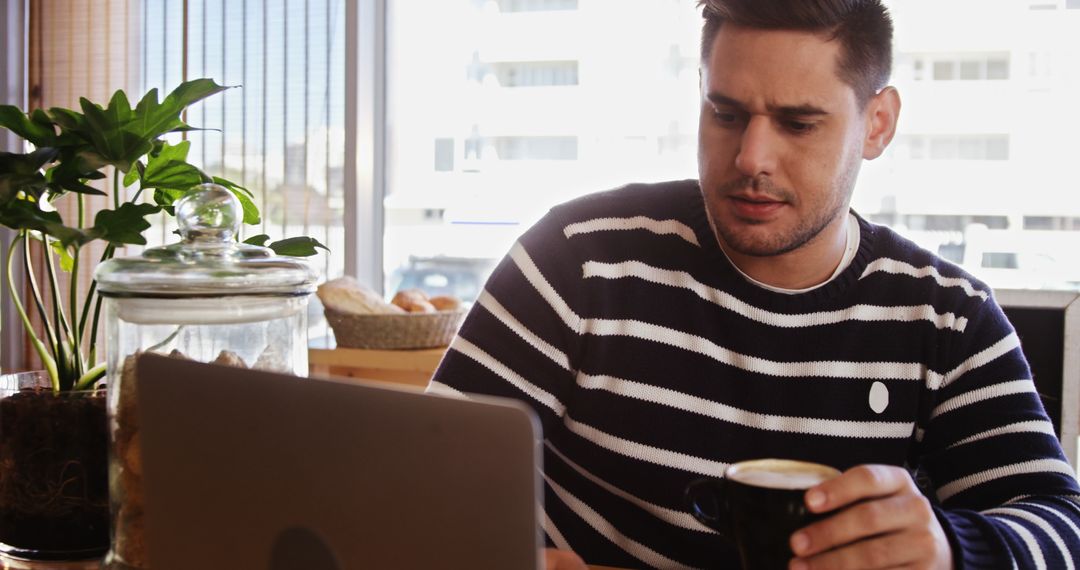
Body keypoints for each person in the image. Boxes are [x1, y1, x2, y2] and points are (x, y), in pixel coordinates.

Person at [428, 0, 1080, 568]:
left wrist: (952, 547)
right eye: (727, 113)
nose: (750, 159)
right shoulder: (579, 261)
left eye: (798, 123)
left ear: (876, 124)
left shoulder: (947, 319)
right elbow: (421, 474)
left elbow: (1060, 524)